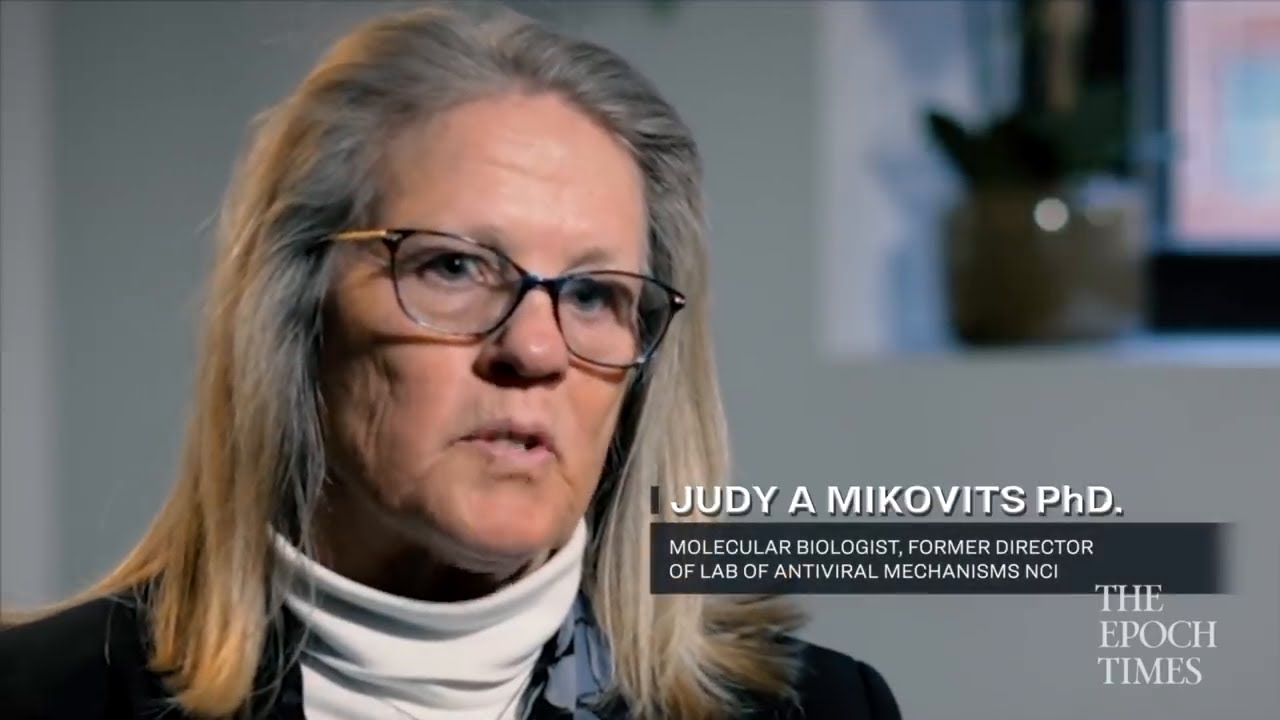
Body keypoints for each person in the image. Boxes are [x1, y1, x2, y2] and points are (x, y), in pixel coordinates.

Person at [0, 4, 901, 719]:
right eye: (455, 267)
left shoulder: (822, 708)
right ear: (297, 309)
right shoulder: (38, 696)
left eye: (594, 293)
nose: (535, 349)